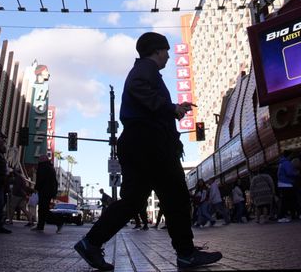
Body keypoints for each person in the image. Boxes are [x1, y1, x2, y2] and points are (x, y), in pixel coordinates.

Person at [73, 32, 221, 270]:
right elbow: (139, 89)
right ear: (157, 51)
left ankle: (90, 242)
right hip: (149, 143)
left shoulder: (144, 70)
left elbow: (147, 101)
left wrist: (172, 110)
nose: (169, 57)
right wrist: (171, 108)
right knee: (176, 197)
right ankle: (185, 253)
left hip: (139, 143)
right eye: (167, 51)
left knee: (132, 202)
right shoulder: (145, 69)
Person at [33, 152, 57, 231]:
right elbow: (55, 182)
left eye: (40, 158)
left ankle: (57, 222)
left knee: (43, 209)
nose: (38, 160)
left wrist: (36, 187)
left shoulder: (43, 167)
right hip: (48, 192)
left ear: (43, 159)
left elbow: (40, 179)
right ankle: (40, 226)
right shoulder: (50, 167)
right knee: (44, 209)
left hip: (44, 191)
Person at [276, 152, 300, 222]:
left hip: (282, 184)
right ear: (289, 156)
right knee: (287, 201)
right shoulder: (286, 163)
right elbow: (289, 172)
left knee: (289, 200)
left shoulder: (281, 163)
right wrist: (296, 173)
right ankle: (282, 216)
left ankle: (297, 213)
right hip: (286, 183)